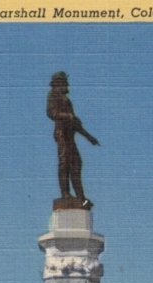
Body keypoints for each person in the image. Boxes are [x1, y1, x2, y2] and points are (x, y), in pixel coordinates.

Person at [47, 72, 100, 207]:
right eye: (65, 83)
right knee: (64, 163)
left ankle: (81, 197)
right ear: (58, 83)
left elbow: (76, 123)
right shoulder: (53, 95)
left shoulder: (67, 100)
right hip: (61, 133)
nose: (67, 86)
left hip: (70, 135)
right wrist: (68, 116)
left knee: (76, 164)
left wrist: (89, 137)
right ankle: (65, 194)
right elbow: (52, 113)